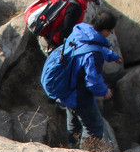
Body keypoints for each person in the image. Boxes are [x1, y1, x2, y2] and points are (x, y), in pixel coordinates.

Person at [41, 9, 121, 144]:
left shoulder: (81, 32)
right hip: (79, 95)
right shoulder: (94, 55)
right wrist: (105, 92)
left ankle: (72, 149)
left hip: (67, 88)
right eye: (111, 31)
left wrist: (112, 56)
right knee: (94, 128)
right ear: (106, 31)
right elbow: (93, 82)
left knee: (73, 124)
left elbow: (86, 49)